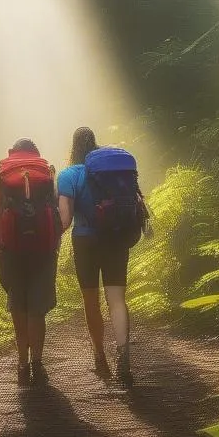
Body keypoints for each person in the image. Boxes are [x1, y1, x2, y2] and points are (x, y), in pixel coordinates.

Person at [56, 126, 134, 387]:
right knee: (117, 300)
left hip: (85, 241)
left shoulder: (69, 175)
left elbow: (65, 220)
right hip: (115, 239)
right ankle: (123, 357)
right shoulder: (113, 171)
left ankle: (100, 356)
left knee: (91, 301)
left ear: (73, 147)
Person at [0, 138, 62, 388]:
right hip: (42, 249)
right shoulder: (45, 169)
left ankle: (22, 364)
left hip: (12, 249)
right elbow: (54, 211)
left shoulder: (3, 170)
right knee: (37, 307)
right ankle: (37, 363)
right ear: (35, 152)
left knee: (18, 305)